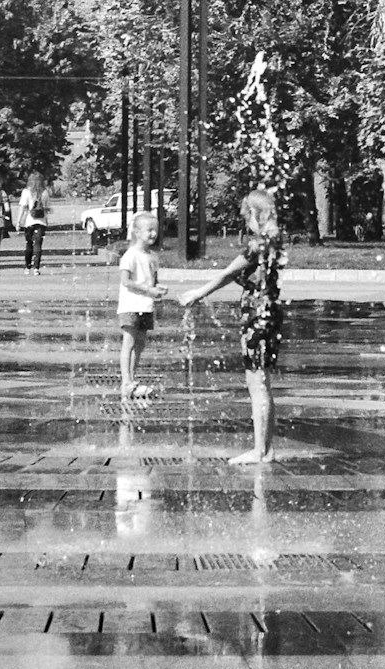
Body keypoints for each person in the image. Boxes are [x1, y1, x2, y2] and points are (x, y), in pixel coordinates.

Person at [180, 188, 284, 465]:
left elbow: (228, 273)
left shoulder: (259, 244)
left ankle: (260, 451)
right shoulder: (273, 239)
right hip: (267, 313)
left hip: (259, 316)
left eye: (245, 216)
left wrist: (198, 293)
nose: (244, 223)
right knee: (260, 381)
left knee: (257, 382)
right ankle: (266, 448)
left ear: (255, 214)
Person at [117, 211, 167, 398]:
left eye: (155, 230)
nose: (153, 234)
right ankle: (126, 381)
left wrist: (157, 289)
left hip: (145, 306)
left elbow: (151, 282)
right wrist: (149, 291)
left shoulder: (152, 257)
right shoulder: (130, 255)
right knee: (128, 343)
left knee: (140, 344)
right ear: (137, 232)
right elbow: (126, 281)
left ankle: (132, 379)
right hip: (130, 306)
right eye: (149, 230)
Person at [17, 171, 50, 272]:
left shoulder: (26, 192)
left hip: (29, 222)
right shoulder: (45, 192)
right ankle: (36, 267)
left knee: (29, 244)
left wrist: (18, 221)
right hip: (41, 222)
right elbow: (46, 208)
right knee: (38, 245)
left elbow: (22, 207)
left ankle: (27, 266)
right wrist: (47, 220)